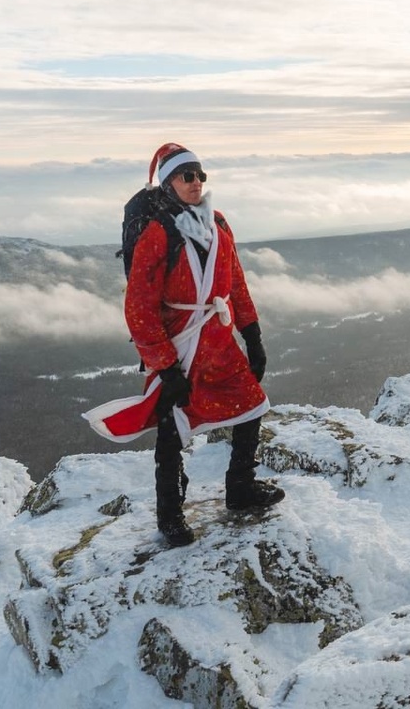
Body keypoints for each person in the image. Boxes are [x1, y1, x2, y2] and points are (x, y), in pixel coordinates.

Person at [85, 143, 283, 547]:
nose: (196, 183)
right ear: (168, 184)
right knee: (172, 427)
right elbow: (139, 307)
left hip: (217, 338)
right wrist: (165, 365)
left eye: (200, 175)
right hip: (181, 342)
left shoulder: (218, 223)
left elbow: (235, 281)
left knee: (251, 405)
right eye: (186, 176)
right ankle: (171, 516)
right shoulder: (158, 234)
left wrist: (252, 333)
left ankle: (241, 487)